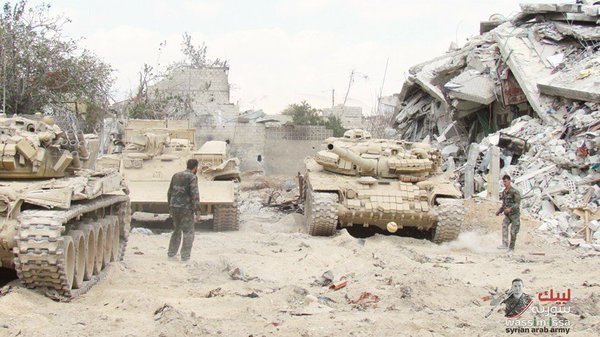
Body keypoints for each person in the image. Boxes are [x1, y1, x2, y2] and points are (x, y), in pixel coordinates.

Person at [167, 159, 201, 261]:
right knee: (188, 232)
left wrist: (170, 206)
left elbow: (169, 192)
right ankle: (185, 256)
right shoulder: (192, 177)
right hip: (185, 208)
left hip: (174, 207)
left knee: (176, 230)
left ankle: (171, 253)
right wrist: (197, 210)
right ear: (195, 168)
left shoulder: (176, 175)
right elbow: (195, 194)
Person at [495, 175, 521, 252]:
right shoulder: (504, 192)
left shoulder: (514, 192)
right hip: (508, 215)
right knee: (504, 225)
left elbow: (517, 204)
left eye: (506, 181)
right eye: (503, 182)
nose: (504, 183)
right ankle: (505, 243)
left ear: (509, 181)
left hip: (515, 215)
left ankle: (511, 248)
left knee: (513, 231)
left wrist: (510, 209)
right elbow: (504, 205)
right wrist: (499, 211)